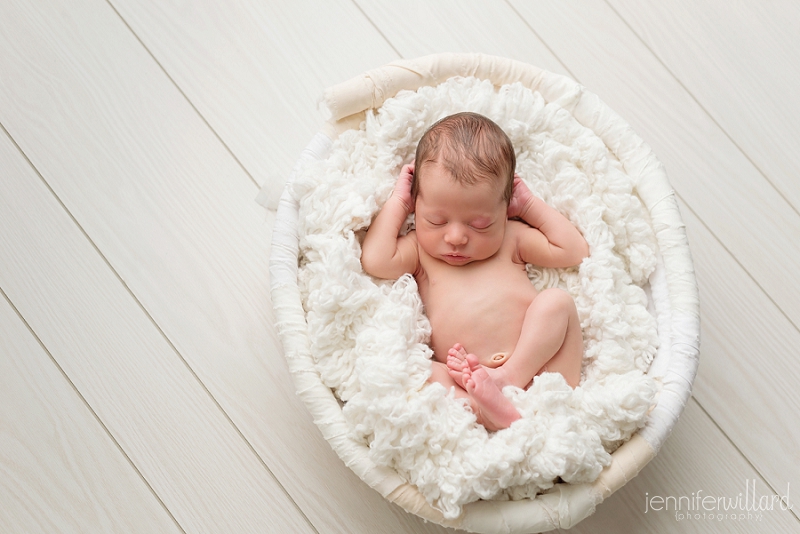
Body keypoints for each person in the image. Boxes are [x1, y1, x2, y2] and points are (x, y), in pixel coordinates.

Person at [361, 112, 589, 431]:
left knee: (558, 303)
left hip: (545, 370)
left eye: (480, 224)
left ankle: (508, 384)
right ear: (417, 205)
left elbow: (574, 250)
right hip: (468, 378)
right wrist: (399, 201)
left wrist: (528, 206)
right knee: (420, 372)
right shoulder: (420, 251)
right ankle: (492, 414)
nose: (456, 237)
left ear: (505, 207)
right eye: (436, 221)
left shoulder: (512, 236)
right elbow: (376, 260)